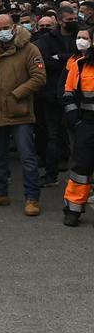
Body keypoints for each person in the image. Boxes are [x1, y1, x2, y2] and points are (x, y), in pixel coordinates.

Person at [0, 15, 46, 215]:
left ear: (14, 27)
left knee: (27, 157)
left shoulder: (30, 49)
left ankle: (32, 198)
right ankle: (0, 193)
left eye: (6, 27)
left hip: (19, 113)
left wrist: (17, 94)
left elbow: (39, 77)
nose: (2, 31)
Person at [33, 9, 77, 187]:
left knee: (78, 137)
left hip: (76, 94)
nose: (73, 21)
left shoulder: (81, 35)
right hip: (51, 95)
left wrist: (61, 58)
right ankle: (51, 174)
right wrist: (70, 61)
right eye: (69, 19)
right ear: (59, 20)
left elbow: (83, 58)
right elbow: (44, 62)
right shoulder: (46, 40)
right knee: (54, 135)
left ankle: (79, 177)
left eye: (75, 18)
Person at [62, 33, 94, 225]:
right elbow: (68, 95)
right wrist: (76, 122)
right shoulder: (80, 65)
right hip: (88, 124)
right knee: (81, 166)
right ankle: (73, 208)